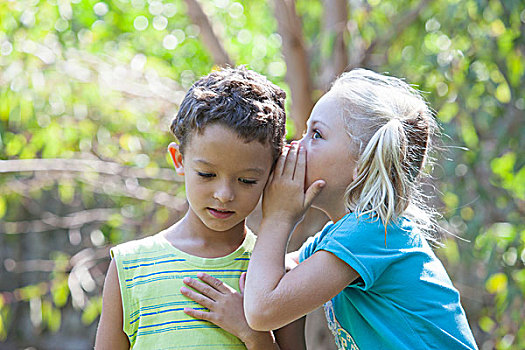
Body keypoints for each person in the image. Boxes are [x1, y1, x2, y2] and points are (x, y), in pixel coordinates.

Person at [184, 68, 478, 349]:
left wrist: (279, 216)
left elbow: (263, 309)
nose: (296, 146)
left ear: (362, 164)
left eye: (316, 135)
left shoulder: (373, 233)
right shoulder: (346, 236)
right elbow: (274, 274)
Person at [94, 67, 304, 349]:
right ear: (179, 159)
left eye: (247, 180)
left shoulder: (278, 275)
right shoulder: (130, 266)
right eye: (206, 174)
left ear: (272, 174)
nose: (224, 195)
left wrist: (252, 334)